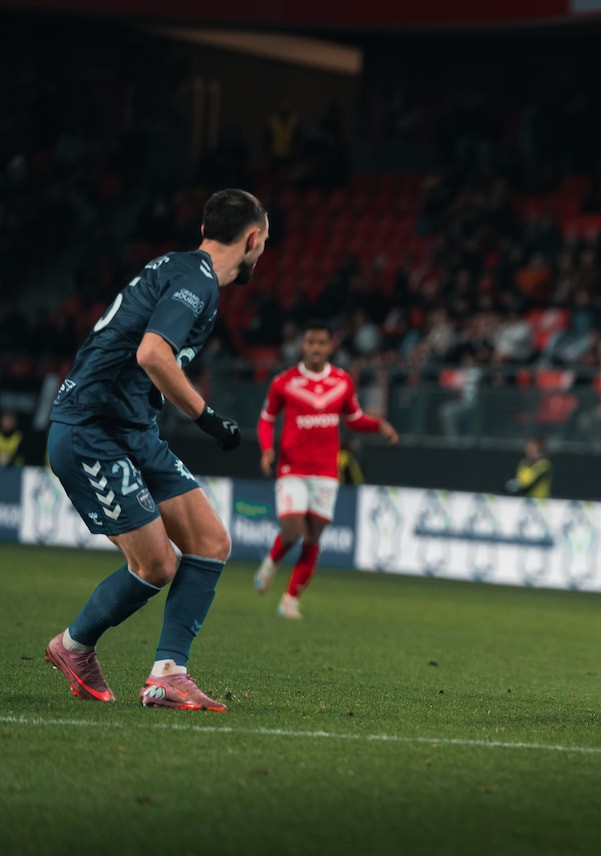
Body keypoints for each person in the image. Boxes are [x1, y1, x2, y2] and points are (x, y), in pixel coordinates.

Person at [43, 188, 268, 712]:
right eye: (265, 242)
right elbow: (153, 354)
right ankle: (73, 646)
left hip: (133, 430)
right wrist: (207, 417)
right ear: (253, 239)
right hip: (92, 429)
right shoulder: (196, 280)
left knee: (210, 541)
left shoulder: (182, 268)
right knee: (156, 565)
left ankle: (168, 674)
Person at [254, 319, 399, 618]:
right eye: (311, 342)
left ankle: (290, 600)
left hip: (325, 471)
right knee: (292, 531)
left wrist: (378, 425)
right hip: (293, 468)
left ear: (330, 346)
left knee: (313, 537)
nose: (316, 348)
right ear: (303, 345)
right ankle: (271, 563)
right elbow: (267, 419)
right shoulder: (284, 382)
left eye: (322, 342)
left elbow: (354, 418)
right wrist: (267, 449)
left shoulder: (342, 381)